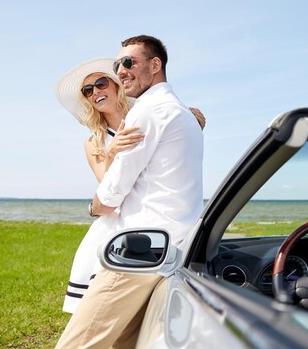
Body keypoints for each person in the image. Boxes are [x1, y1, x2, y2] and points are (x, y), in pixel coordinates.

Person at [55, 35, 204, 349]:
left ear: (155, 64)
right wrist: (111, 155)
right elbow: (109, 187)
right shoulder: (105, 136)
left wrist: (95, 207)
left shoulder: (147, 112)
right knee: (124, 340)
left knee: (81, 342)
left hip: (137, 245)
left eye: (127, 63)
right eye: (87, 90)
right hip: (151, 240)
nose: (96, 91)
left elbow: (108, 197)